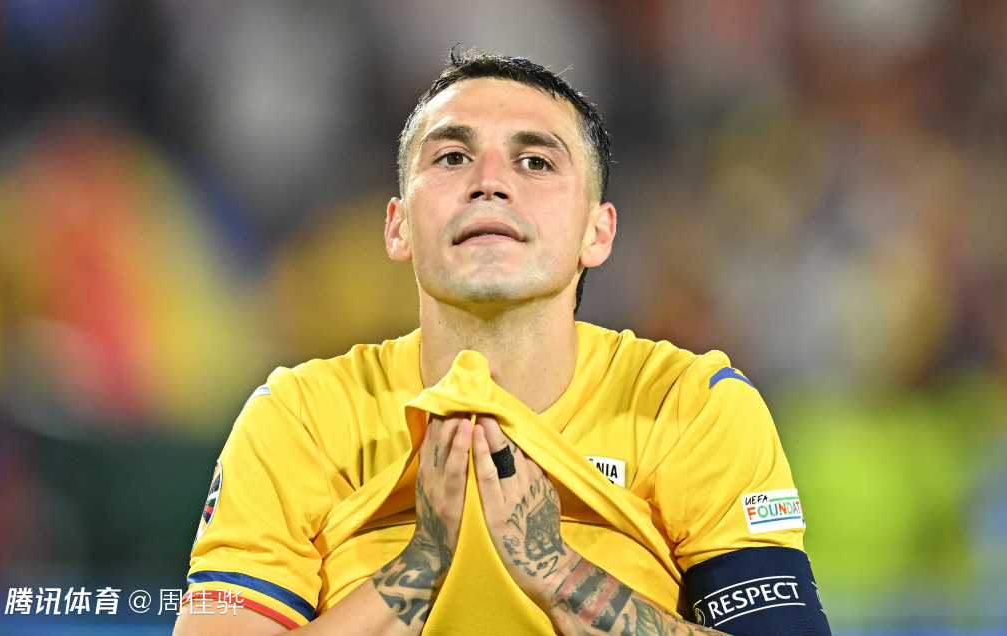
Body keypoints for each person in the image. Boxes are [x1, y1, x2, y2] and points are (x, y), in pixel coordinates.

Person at [173, 50, 831, 636]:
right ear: (398, 227)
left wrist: (560, 574)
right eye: (452, 158)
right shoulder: (299, 418)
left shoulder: (689, 407)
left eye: (535, 162)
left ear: (597, 233)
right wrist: (419, 566)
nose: (489, 182)